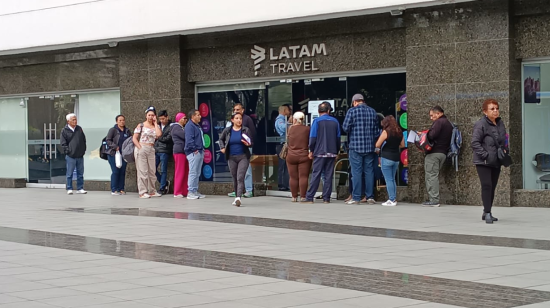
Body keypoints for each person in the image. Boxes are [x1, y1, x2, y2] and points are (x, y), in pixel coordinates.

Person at [472, 99, 507, 224]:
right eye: (492, 109)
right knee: (486, 185)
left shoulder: (500, 123)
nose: (495, 111)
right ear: (485, 111)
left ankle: (487, 210)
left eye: (497, 108)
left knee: (492, 187)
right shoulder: (480, 124)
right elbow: (475, 142)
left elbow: (503, 140)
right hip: (483, 161)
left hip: (496, 161)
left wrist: (504, 151)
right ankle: (487, 212)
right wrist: (485, 155)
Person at [342, 94, 380, 205]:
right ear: (363, 101)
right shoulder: (372, 111)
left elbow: (345, 127)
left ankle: (356, 197)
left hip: (355, 147)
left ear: (354, 102)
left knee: (356, 172)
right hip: (369, 147)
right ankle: (370, 197)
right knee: (369, 172)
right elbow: (376, 131)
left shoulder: (352, 111)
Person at [302, 102, 341, 204]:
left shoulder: (317, 121)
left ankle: (310, 197)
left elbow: (313, 137)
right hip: (332, 152)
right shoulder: (335, 121)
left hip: (319, 152)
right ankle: (326, 198)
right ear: (329, 111)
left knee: (316, 174)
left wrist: (311, 150)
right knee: (328, 175)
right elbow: (338, 139)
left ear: (319, 111)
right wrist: (336, 151)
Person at [422, 105, 453, 207]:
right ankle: (433, 198)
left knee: (431, 176)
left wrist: (424, 135)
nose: (431, 118)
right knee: (433, 175)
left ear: (438, 113)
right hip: (443, 152)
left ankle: (434, 199)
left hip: (434, 153)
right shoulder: (448, 123)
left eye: (432, 115)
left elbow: (432, 135)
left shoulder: (439, 122)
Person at [220, 113, 253, 207]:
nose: (239, 120)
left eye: (240, 118)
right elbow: (221, 139)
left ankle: (238, 197)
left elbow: (251, 142)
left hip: (243, 156)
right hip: (231, 157)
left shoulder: (245, 130)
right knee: (234, 178)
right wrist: (222, 147)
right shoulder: (228, 130)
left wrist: (248, 144)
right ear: (232, 120)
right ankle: (236, 197)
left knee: (240, 177)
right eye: (237, 118)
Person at [133, 106, 163, 199]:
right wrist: (139, 147)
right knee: (143, 171)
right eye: (149, 115)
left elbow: (158, 135)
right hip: (142, 147)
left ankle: (152, 190)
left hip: (151, 148)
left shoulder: (155, 126)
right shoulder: (141, 125)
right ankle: (142, 192)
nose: (150, 117)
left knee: (152, 170)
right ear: (146, 116)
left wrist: (155, 123)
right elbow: (134, 138)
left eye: (152, 115)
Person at [227, 103, 256, 198]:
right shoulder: (231, 122)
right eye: (235, 109)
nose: (236, 111)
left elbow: (252, 133)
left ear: (242, 110)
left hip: (245, 149)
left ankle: (248, 190)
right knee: (235, 172)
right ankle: (237, 191)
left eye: (238, 109)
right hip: (233, 151)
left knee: (247, 170)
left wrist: (249, 143)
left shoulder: (247, 119)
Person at [375, 115, 405, 206]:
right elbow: (402, 145)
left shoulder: (386, 131)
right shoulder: (400, 132)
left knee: (388, 179)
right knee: (392, 179)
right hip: (396, 158)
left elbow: (377, 144)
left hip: (386, 157)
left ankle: (391, 199)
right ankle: (394, 198)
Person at [286, 111, 311, 202]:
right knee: (303, 176)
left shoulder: (290, 129)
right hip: (304, 155)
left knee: (293, 177)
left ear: (295, 119)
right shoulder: (307, 129)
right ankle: (303, 196)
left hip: (291, 155)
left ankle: (294, 196)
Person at [60, 113, 87, 195]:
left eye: (75, 119)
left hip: (80, 155)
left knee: (80, 173)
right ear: (68, 121)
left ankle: (80, 188)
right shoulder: (64, 130)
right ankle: (69, 188)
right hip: (70, 155)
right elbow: (63, 143)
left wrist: (83, 150)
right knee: (69, 173)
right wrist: (68, 151)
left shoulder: (79, 129)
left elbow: (83, 140)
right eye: (73, 120)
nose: (75, 121)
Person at [105, 115, 131, 195]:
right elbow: (108, 140)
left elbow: (130, 140)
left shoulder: (127, 131)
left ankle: (121, 189)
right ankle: (114, 189)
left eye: (123, 120)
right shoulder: (113, 130)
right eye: (120, 120)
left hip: (124, 154)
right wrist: (115, 147)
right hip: (114, 154)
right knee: (115, 171)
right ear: (116, 121)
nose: (122, 122)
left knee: (122, 171)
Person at [185, 109, 206, 200]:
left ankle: (194, 190)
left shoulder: (196, 126)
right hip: (194, 152)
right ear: (192, 116)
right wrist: (194, 149)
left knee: (197, 172)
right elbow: (189, 139)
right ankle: (190, 191)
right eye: (198, 115)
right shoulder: (190, 126)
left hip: (199, 151)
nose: (200, 116)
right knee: (193, 172)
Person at [154, 110, 173, 195]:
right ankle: (164, 182)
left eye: (163, 119)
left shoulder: (171, 126)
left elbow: (168, 138)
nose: (162, 120)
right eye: (160, 119)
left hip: (165, 150)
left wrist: (159, 137)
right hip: (156, 149)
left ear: (167, 117)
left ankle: (162, 188)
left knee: (163, 169)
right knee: (152, 169)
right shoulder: (157, 125)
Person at [171, 112, 189, 198]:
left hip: (183, 151)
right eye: (184, 118)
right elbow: (185, 136)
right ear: (179, 119)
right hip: (179, 151)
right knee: (180, 172)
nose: (186, 120)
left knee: (185, 172)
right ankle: (177, 191)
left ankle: (184, 190)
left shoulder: (181, 128)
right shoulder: (176, 128)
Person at [275, 105, 291, 191]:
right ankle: (281, 184)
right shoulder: (280, 120)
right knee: (282, 165)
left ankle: (285, 184)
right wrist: (289, 123)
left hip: (283, 144)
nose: (289, 112)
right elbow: (284, 128)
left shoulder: (282, 120)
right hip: (281, 145)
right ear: (284, 110)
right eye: (288, 110)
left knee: (285, 165)